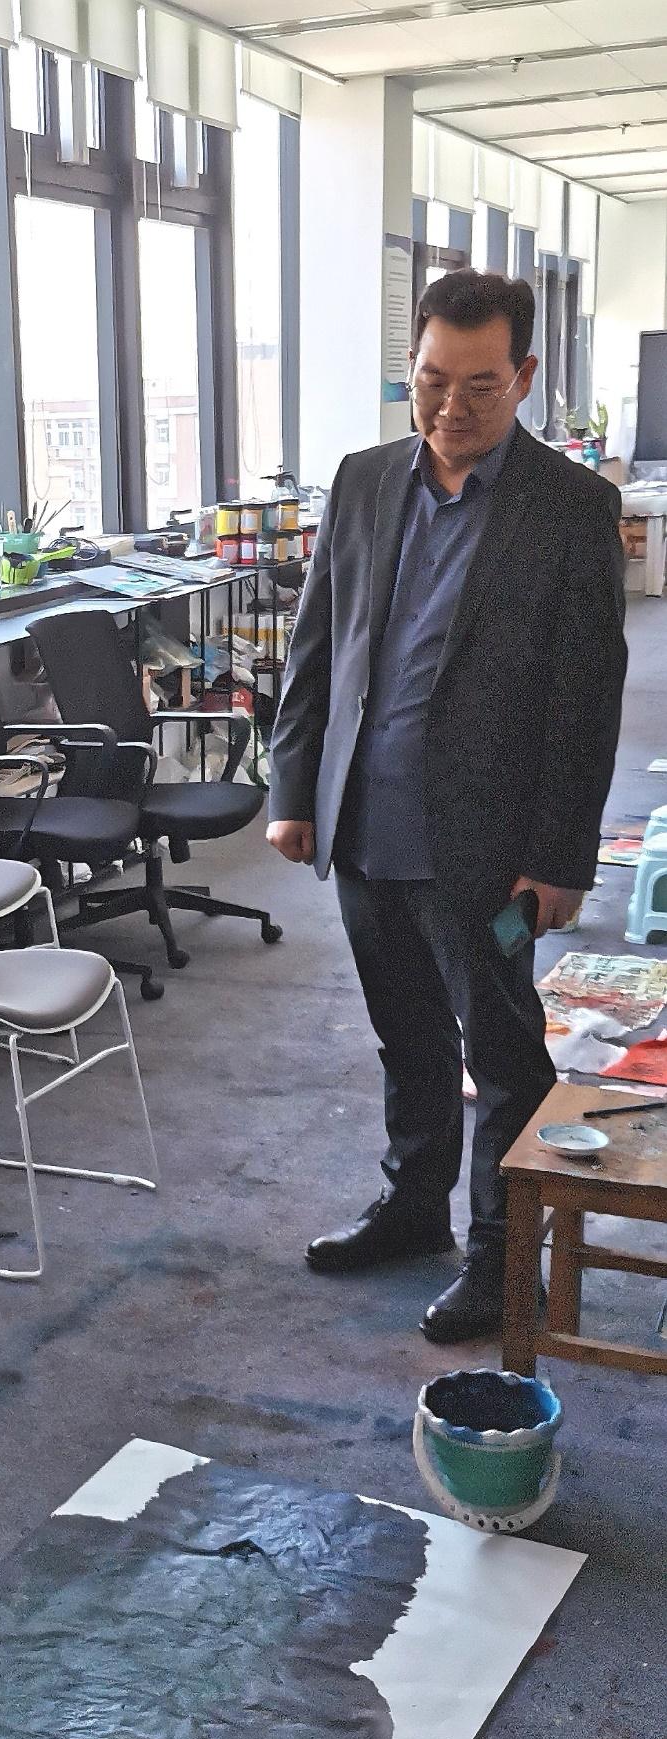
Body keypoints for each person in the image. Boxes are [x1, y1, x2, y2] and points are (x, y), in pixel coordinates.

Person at [267, 269, 626, 1344]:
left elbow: (584, 699)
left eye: (478, 385)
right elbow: (318, 645)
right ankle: (412, 1205)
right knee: (406, 1032)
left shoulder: (570, 507)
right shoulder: (365, 480)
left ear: (523, 376)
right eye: (431, 380)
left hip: (489, 845)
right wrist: (294, 786)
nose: (449, 407)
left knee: (503, 1054)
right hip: (364, 823)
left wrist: (560, 856)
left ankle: (499, 1259)